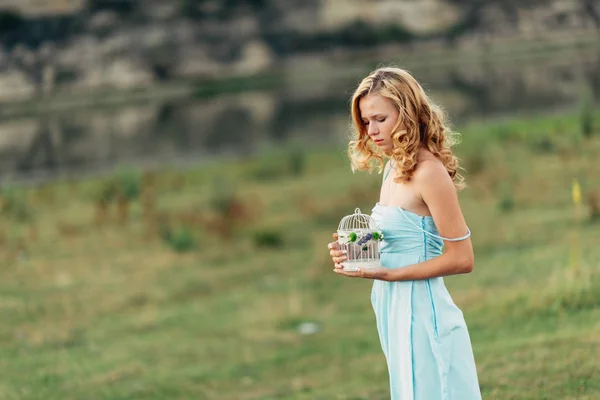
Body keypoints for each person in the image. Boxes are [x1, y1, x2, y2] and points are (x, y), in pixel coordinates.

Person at [327, 67, 481, 399]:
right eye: (366, 122)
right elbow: (402, 236)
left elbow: (462, 258)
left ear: (407, 113)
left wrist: (392, 274)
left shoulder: (429, 173)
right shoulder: (393, 167)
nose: (371, 131)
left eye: (380, 119)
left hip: (422, 309)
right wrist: (355, 251)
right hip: (391, 305)